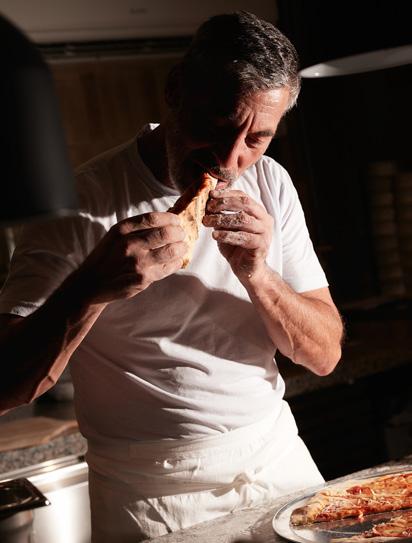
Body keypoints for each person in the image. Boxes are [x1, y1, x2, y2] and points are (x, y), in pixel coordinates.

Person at [0, 11, 343, 542]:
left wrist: (258, 273)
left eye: (257, 138)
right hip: (153, 493)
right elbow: (8, 384)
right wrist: (91, 287)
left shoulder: (270, 182)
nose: (231, 160)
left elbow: (324, 355)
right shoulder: (80, 203)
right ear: (176, 91)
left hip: (278, 463)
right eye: (219, 127)